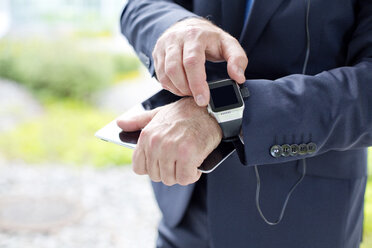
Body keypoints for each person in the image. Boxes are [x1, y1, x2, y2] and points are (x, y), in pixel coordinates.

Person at [118, 0, 372, 247]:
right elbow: (141, 5)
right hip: (187, 207)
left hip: (302, 217)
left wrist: (222, 113)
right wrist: (179, 26)